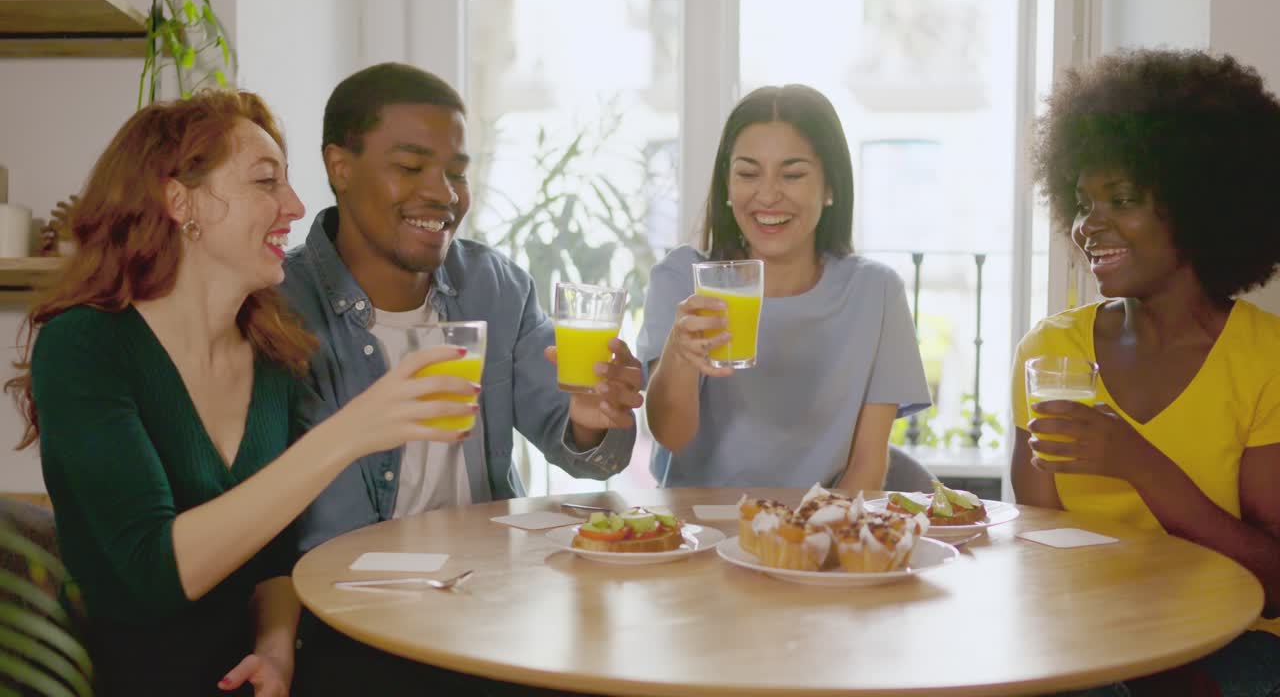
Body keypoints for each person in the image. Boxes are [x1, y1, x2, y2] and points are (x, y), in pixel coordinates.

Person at [7, 91, 482, 696]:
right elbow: (151, 574)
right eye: (265, 181)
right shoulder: (85, 347)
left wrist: (275, 651)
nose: (296, 206)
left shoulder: (270, 352)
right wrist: (350, 433)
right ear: (180, 201)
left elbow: (274, 562)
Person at [279, 63, 643, 695]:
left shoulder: (494, 286)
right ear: (340, 167)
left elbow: (586, 451)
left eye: (457, 172)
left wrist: (593, 419)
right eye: (411, 166)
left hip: (487, 606)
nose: (443, 194)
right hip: (350, 621)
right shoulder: (280, 305)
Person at [1014, 49, 1280, 696]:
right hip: (1088, 636)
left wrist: (1139, 464)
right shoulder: (1052, 351)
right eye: (1083, 203)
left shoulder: (1265, 358)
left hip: (1229, 640)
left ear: (1199, 204)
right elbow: (1033, 553)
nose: (1089, 226)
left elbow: (1274, 582)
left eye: (1123, 199)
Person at [638, 84, 930, 491]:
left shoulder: (876, 293)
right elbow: (671, 436)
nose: (768, 195)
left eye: (792, 175)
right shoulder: (684, 279)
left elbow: (867, 465)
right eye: (747, 174)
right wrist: (679, 355)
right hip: (698, 524)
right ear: (727, 187)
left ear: (830, 187)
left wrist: (810, 530)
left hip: (819, 524)